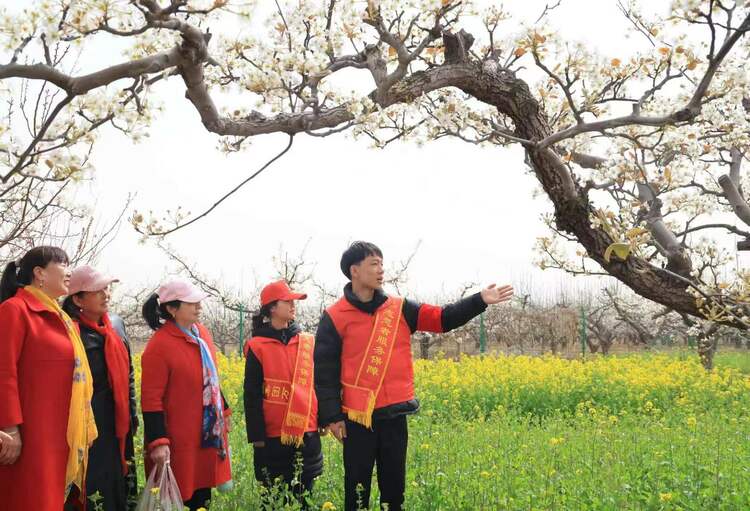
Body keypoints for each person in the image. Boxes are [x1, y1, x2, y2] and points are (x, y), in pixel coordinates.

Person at [315, 241, 514, 511]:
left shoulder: (400, 308)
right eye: (374, 264)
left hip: (395, 415)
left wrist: (479, 300)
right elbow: (324, 371)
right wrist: (332, 416)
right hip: (357, 418)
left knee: (394, 490)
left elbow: (442, 319)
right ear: (355, 271)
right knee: (357, 489)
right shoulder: (334, 316)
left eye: (382, 264)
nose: (381, 270)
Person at [0, 246, 98, 511]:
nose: (70, 271)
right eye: (64, 264)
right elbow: (3, 371)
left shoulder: (62, 317)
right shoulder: (15, 310)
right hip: (30, 435)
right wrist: (10, 426)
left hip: (60, 433)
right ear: (39, 273)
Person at [140, 279, 232, 511]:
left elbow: (210, 377)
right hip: (179, 441)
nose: (198, 306)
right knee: (180, 497)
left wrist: (225, 409)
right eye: (191, 302)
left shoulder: (201, 333)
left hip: (205, 435)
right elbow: (151, 399)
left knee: (203, 495)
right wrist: (158, 442)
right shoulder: (159, 345)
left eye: (198, 301)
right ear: (172, 309)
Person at [62, 265, 138, 511]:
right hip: (89, 430)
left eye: (106, 288)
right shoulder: (69, 333)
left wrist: (132, 416)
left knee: (119, 492)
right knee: (92, 493)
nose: (106, 294)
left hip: (118, 426)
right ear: (77, 299)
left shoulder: (115, 325)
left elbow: (128, 375)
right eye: (97, 290)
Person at [243, 280, 323, 509]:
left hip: (306, 433)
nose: (292, 305)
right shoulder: (257, 346)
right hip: (272, 437)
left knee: (304, 498)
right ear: (271, 308)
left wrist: (324, 418)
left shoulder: (307, 342)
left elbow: (316, 384)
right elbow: (252, 394)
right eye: (287, 301)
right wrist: (257, 437)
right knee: (273, 500)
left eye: (293, 301)